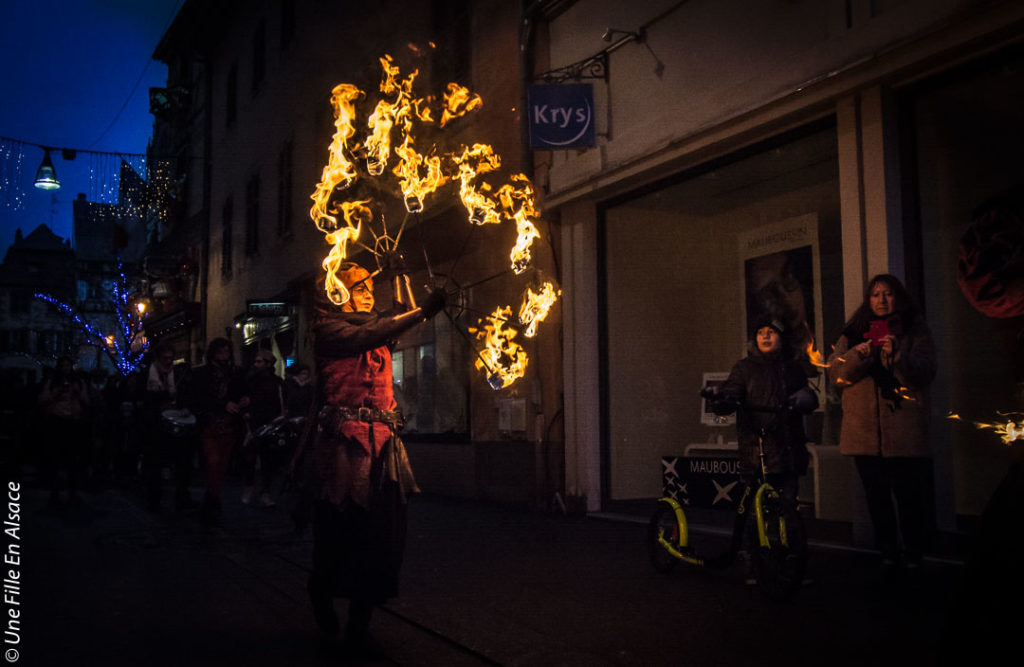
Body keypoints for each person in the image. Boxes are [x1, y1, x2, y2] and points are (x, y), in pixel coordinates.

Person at [305, 260, 444, 657]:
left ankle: (359, 626)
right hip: (344, 451)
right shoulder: (329, 329)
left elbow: (398, 320)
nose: (369, 289)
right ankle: (321, 594)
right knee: (339, 534)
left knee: (380, 538)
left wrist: (402, 276)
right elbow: (376, 330)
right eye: (360, 285)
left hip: (383, 446)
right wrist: (422, 310)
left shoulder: (372, 326)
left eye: (370, 283)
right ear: (337, 292)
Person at [826, 274, 937, 572]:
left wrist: (898, 357)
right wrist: (856, 355)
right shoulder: (853, 331)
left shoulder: (914, 329)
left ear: (898, 297)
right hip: (864, 433)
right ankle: (886, 550)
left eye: (888, 294)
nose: (882, 300)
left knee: (909, 496)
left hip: (903, 431)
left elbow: (926, 371)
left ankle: (914, 552)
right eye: (875, 295)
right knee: (876, 497)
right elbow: (835, 375)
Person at [709, 316, 818, 582]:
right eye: (761, 332)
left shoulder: (792, 369)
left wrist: (804, 399)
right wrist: (722, 400)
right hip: (755, 447)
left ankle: (793, 562)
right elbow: (730, 394)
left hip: (787, 447)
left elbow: (808, 396)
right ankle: (750, 559)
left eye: (772, 332)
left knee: (788, 506)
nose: (766, 336)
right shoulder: (744, 368)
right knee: (752, 510)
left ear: (782, 337)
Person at [188, 338, 249, 524]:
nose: (224, 356)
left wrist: (244, 399)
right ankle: (212, 499)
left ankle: (212, 498)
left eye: (226, 352)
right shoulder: (202, 374)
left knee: (221, 464)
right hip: (210, 423)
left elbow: (242, 391)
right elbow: (198, 398)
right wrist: (223, 404)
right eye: (221, 352)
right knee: (214, 460)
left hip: (229, 425)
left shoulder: (234, 373)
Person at [142, 341, 195, 511]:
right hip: (155, 426)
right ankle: (154, 500)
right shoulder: (148, 375)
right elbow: (146, 400)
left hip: (175, 424)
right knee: (155, 465)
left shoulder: (176, 373)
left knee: (182, 463)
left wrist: (185, 406)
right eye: (165, 358)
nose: (168, 361)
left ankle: (181, 497)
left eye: (171, 358)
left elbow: (186, 394)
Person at [37, 356, 91, 506]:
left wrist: (77, 393)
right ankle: (55, 492)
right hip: (57, 420)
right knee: (55, 458)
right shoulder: (52, 382)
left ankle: (72, 492)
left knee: (72, 459)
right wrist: (57, 393)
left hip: (73, 421)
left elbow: (86, 401)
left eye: (68, 366)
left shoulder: (78, 382)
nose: (66, 369)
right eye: (63, 366)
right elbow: (43, 400)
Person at [241, 348, 285, 507]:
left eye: (259, 361)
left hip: (270, 423)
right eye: (256, 361)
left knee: (268, 460)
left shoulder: (276, 382)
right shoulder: (251, 380)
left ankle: (264, 492)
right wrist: (246, 412)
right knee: (250, 459)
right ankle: (249, 487)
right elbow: (244, 399)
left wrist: (279, 418)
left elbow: (281, 402)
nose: (256, 364)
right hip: (253, 423)